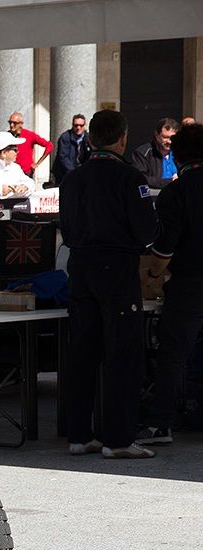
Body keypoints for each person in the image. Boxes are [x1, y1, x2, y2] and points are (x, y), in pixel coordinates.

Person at [59, 109, 159, 459]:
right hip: (117, 269)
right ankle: (118, 438)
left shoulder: (71, 179)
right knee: (122, 354)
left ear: (90, 138)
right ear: (122, 138)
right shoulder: (130, 178)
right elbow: (148, 231)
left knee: (82, 353)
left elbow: (66, 229)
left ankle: (79, 435)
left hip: (81, 268)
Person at [137, 123, 203, 446]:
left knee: (174, 354)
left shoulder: (176, 193)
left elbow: (164, 249)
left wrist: (150, 277)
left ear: (177, 156)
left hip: (190, 283)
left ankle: (160, 423)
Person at [131, 118, 181, 189]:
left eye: (172, 138)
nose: (169, 141)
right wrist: (171, 181)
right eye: (165, 137)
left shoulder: (181, 153)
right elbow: (140, 178)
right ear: (156, 135)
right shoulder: (143, 153)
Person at [0, 131, 36, 199]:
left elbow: (30, 183)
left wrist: (25, 187)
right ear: (4, 153)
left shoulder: (15, 167)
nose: (17, 152)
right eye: (15, 150)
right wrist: (2, 190)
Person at [6, 112, 52, 178]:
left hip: (25, 172)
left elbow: (49, 146)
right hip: (10, 171)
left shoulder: (29, 135)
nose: (11, 125)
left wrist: (37, 163)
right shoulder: (6, 135)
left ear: (21, 124)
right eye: (10, 122)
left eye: (15, 123)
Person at [52, 114, 89, 185]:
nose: (78, 128)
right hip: (64, 173)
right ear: (72, 125)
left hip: (81, 172)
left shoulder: (88, 138)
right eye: (76, 125)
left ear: (85, 125)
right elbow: (63, 157)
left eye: (81, 125)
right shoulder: (65, 137)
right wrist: (74, 172)